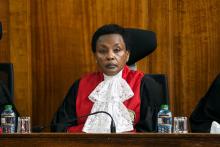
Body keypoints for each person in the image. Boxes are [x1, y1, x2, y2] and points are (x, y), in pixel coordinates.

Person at [51, 24, 164, 133]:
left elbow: (151, 133)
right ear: (95, 56)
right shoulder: (80, 85)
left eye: (117, 50)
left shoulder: (145, 85)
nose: (110, 56)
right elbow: (60, 127)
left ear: (127, 55)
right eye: (103, 51)